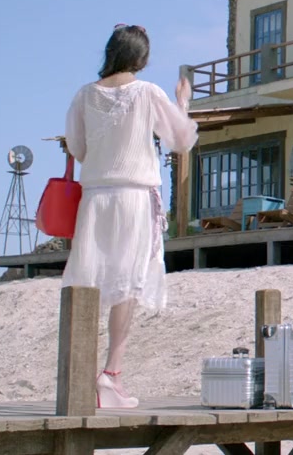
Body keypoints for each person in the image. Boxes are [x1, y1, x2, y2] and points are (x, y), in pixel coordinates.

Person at [62, 24, 198, 408]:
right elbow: (181, 139)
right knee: (128, 285)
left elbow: (78, 149)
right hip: (134, 198)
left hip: (95, 198)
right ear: (141, 57)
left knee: (87, 283)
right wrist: (182, 102)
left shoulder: (84, 95)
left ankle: (79, 374)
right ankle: (111, 374)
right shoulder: (148, 92)